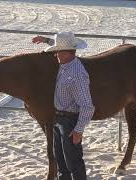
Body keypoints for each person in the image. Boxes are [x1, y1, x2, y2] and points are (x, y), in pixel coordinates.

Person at [33, 32, 95, 180]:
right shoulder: (66, 62)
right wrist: (46, 40)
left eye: (58, 52)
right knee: (61, 162)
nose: (55, 55)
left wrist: (78, 130)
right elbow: (59, 46)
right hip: (59, 119)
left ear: (67, 53)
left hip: (69, 122)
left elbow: (87, 106)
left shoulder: (77, 74)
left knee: (73, 162)